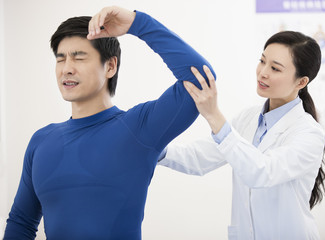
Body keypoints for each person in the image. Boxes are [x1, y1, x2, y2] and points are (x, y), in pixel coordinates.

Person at [4, 6, 215, 239]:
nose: (67, 69)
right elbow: (21, 223)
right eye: (60, 59)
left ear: (111, 66)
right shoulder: (41, 140)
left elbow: (200, 78)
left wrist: (138, 23)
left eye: (79, 57)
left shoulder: (138, 128)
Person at [159, 31, 325, 240]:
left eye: (275, 68)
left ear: (301, 82)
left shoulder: (309, 133)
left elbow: (262, 172)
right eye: (262, 61)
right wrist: (153, 148)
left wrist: (213, 115)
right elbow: (199, 158)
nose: (262, 72)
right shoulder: (248, 118)